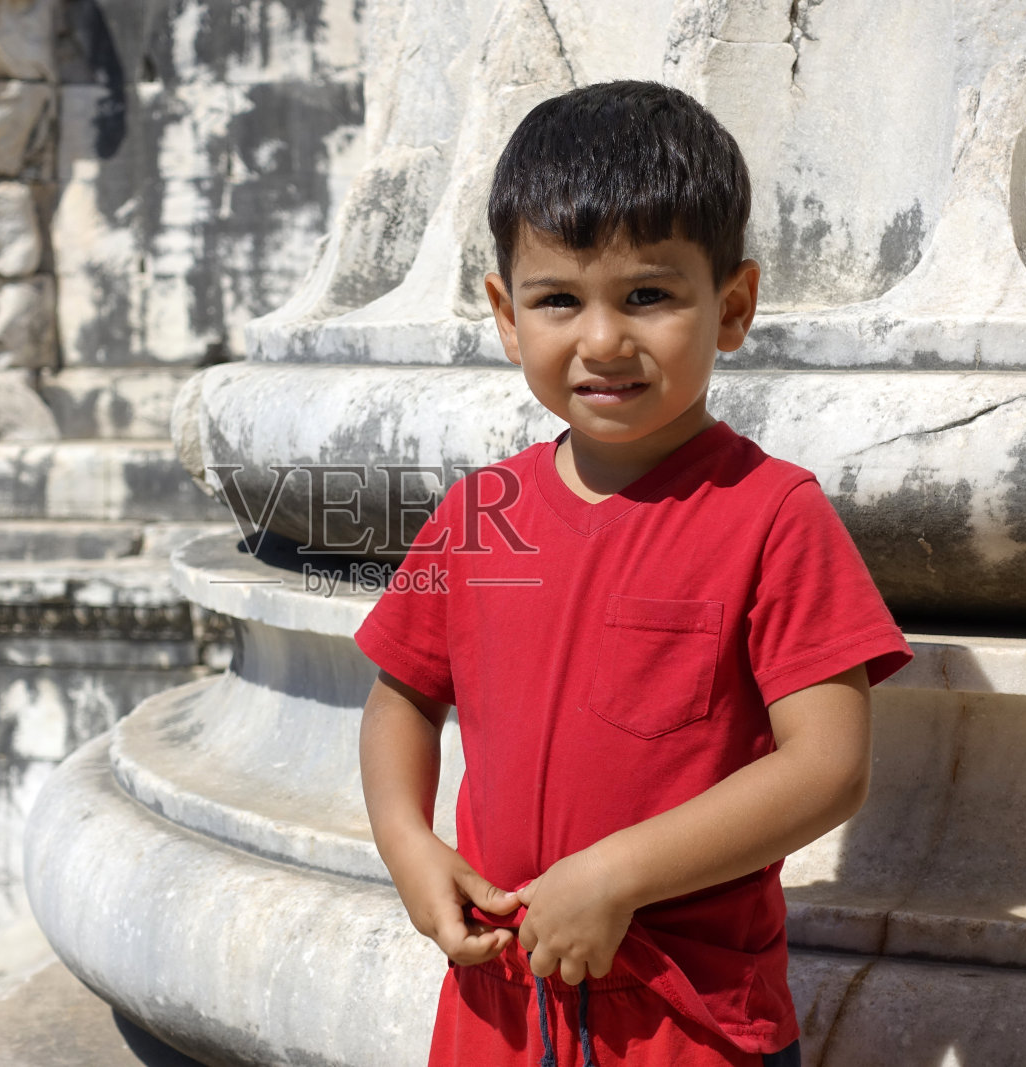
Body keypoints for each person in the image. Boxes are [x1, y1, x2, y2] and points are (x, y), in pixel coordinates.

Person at [354, 80, 913, 1067]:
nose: (603, 339)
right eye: (559, 299)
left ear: (732, 305)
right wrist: (410, 846)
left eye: (647, 295)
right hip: (497, 1003)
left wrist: (617, 872)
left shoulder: (771, 514)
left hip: (684, 1021)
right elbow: (401, 698)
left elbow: (828, 765)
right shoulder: (481, 516)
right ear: (504, 312)